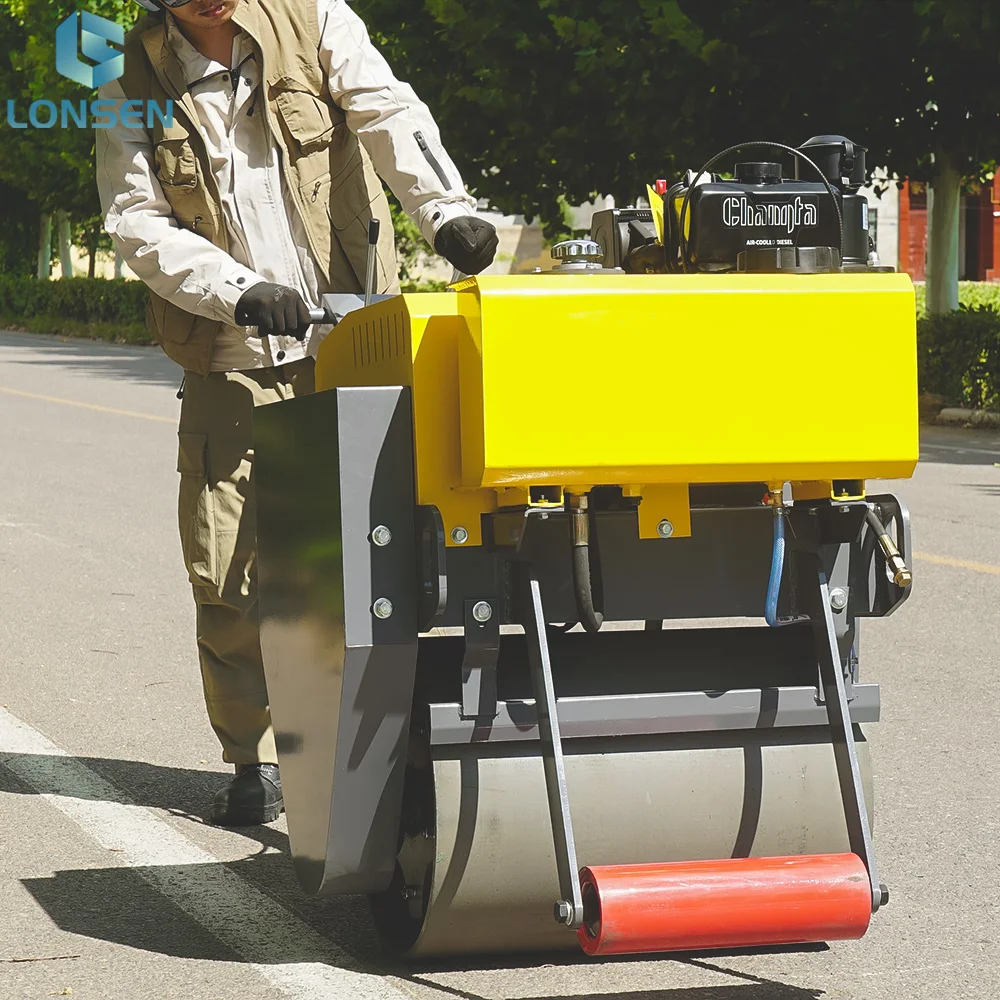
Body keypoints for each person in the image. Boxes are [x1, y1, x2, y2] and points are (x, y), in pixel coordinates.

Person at [96, 0, 498, 825]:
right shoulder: (122, 77)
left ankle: (387, 749)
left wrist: (446, 210)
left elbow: (387, 109)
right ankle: (250, 758)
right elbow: (135, 220)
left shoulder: (314, 19)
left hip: (353, 345)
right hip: (230, 359)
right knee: (230, 579)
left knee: (376, 564)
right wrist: (239, 293)